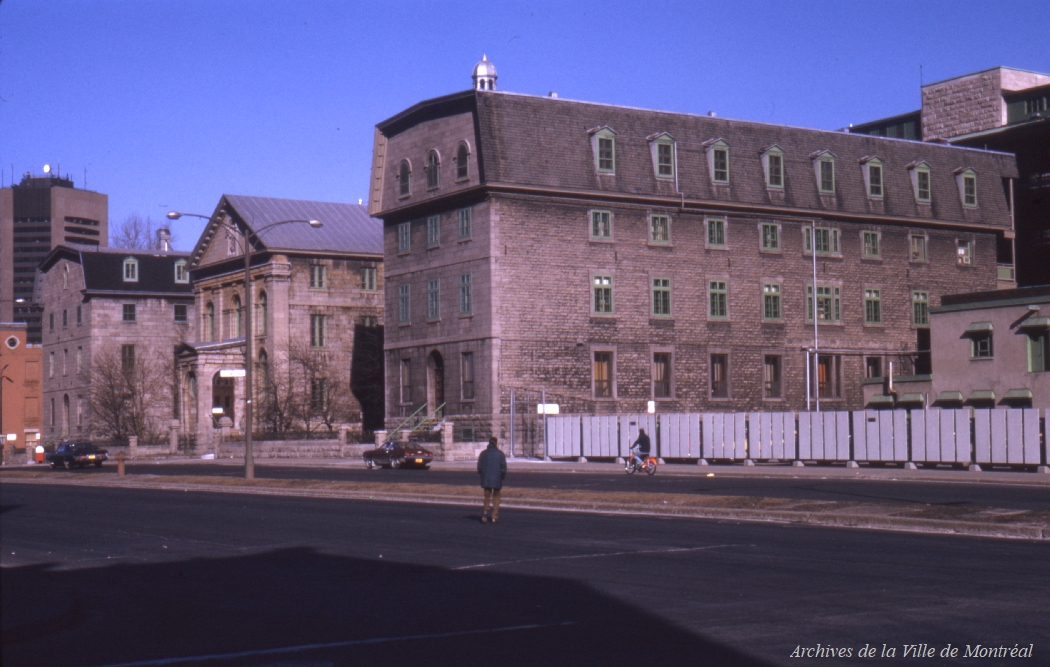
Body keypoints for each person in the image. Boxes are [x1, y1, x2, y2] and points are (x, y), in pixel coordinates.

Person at [477, 436, 507, 523]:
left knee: (487, 496)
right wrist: (502, 476)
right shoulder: (500, 454)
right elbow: (503, 468)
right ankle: (494, 516)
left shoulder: (483, 454)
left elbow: (479, 467)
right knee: (496, 497)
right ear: (496, 443)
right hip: (497, 478)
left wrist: (482, 475)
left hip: (486, 478)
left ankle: (486, 511)